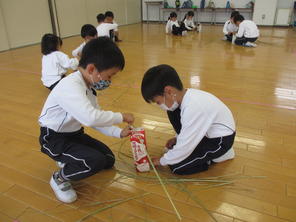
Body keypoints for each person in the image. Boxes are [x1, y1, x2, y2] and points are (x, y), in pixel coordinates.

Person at [38, 37, 134, 203]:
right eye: (109, 76)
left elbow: (96, 119)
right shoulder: (69, 86)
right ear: (91, 69)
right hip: (54, 138)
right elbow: (90, 118)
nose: (109, 81)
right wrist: (121, 116)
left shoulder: (89, 88)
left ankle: (67, 159)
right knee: (93, 161)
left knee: (107, 159)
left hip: (74, 134)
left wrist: (118, 132)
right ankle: (59, 178)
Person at [141, 64, 236, 175]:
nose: (159, 105)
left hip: (220, 140)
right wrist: (178, 138)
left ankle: (220, 155)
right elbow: (187, 129)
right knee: (173, 111)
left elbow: (185, 146)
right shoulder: (182, 99)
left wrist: (162, 161)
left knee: (177, 167)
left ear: (169, 91)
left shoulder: (194, 107)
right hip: (206, 133)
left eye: (158, 102)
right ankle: (197, 152)